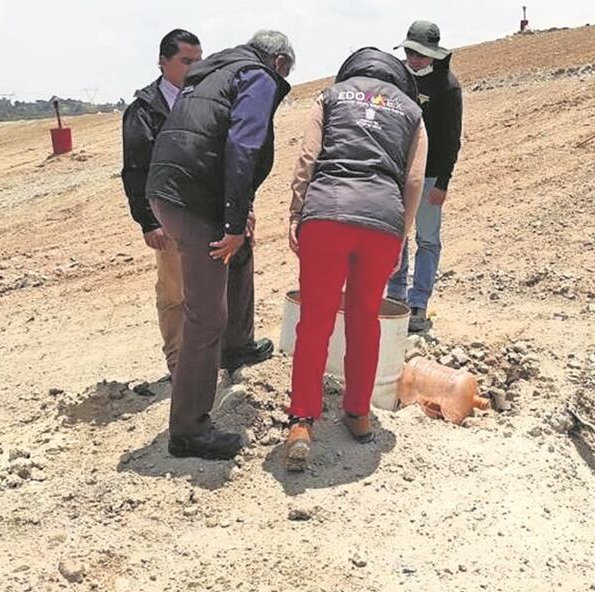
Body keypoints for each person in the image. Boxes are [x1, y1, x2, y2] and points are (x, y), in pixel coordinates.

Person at [146, 30, 294, 460]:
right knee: (205, 315)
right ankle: (188, 431)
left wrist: (238, 214)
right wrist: (231, 218)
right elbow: (243, 143)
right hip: (195, 201)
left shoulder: (214, 74)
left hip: (170, 190)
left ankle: (237, 345)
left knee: (240, 251)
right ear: (280, 62)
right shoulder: (258, 76)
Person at [283, 47, 428, 471]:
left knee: (315, 321)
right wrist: (401, 234)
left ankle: (301, 421)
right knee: (365, 319)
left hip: (327, 213)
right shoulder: (411, 113)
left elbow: (308, 158)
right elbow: (415, 177)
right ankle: (358, 414)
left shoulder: (329, 97)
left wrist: (297, 211)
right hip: (382, 219)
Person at [122, 29, 274, 380]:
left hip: (218, 210)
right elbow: (135, 169)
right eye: (185, 61)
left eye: (198, 60)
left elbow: (237, 153)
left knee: (235, 276)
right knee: (178, 291)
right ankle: (180, 365)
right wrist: (147, 222)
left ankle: (236, 348)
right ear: (162, 63)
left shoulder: (210, 93)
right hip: (175, 212)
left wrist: (242, 207)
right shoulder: (145, 110)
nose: (194, 67)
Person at [386, 20, 463, 333]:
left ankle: (419, 302)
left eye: (419, 53)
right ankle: (395, 296)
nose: (413, 59)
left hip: (431, 177)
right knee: (396, 236)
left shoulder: (448, 87)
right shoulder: (399, 80)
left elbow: (452, 138)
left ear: (433, 54)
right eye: (409, 52)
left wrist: (443, 182)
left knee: (427, 239)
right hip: (398, 174)